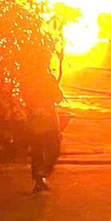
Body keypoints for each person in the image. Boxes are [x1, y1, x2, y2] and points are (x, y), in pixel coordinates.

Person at [21, 49, 64, 193]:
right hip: (47, 118)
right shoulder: (48, 79)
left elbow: (25, 95)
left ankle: (39, 178)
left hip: (35, 118)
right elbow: (57, 96)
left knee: (37, 148)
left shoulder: (30, 78)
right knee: (53, 146)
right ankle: (42, 174)